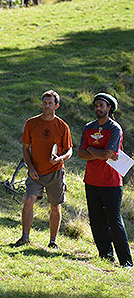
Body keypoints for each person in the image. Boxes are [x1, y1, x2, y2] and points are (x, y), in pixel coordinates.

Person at [78, 93, 133, 268]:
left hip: (111, 182)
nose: (98, 109)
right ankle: (105, 256)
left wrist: (91, 150)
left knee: (114, 220)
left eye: (101, 105)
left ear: (109, 108)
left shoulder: (115, 128)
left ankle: (126, 261)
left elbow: (108, 154)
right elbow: (80, 153)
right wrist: (100, 152)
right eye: (96, 106)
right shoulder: (88, 127)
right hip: (91, 181)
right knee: (96, 219)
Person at [13, 90, 73, 248]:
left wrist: (60, 158)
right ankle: (25, 237)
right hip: (36, 172)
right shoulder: (31, 123)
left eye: (50, 103)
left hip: (55, 172)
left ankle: (53, 241)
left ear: (56, 106)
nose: (46, 106)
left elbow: (69, 150)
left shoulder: (62, 126)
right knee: (28, 200)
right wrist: (30, 167)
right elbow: (25, 148)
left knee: (55, 206)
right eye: (44, 102)